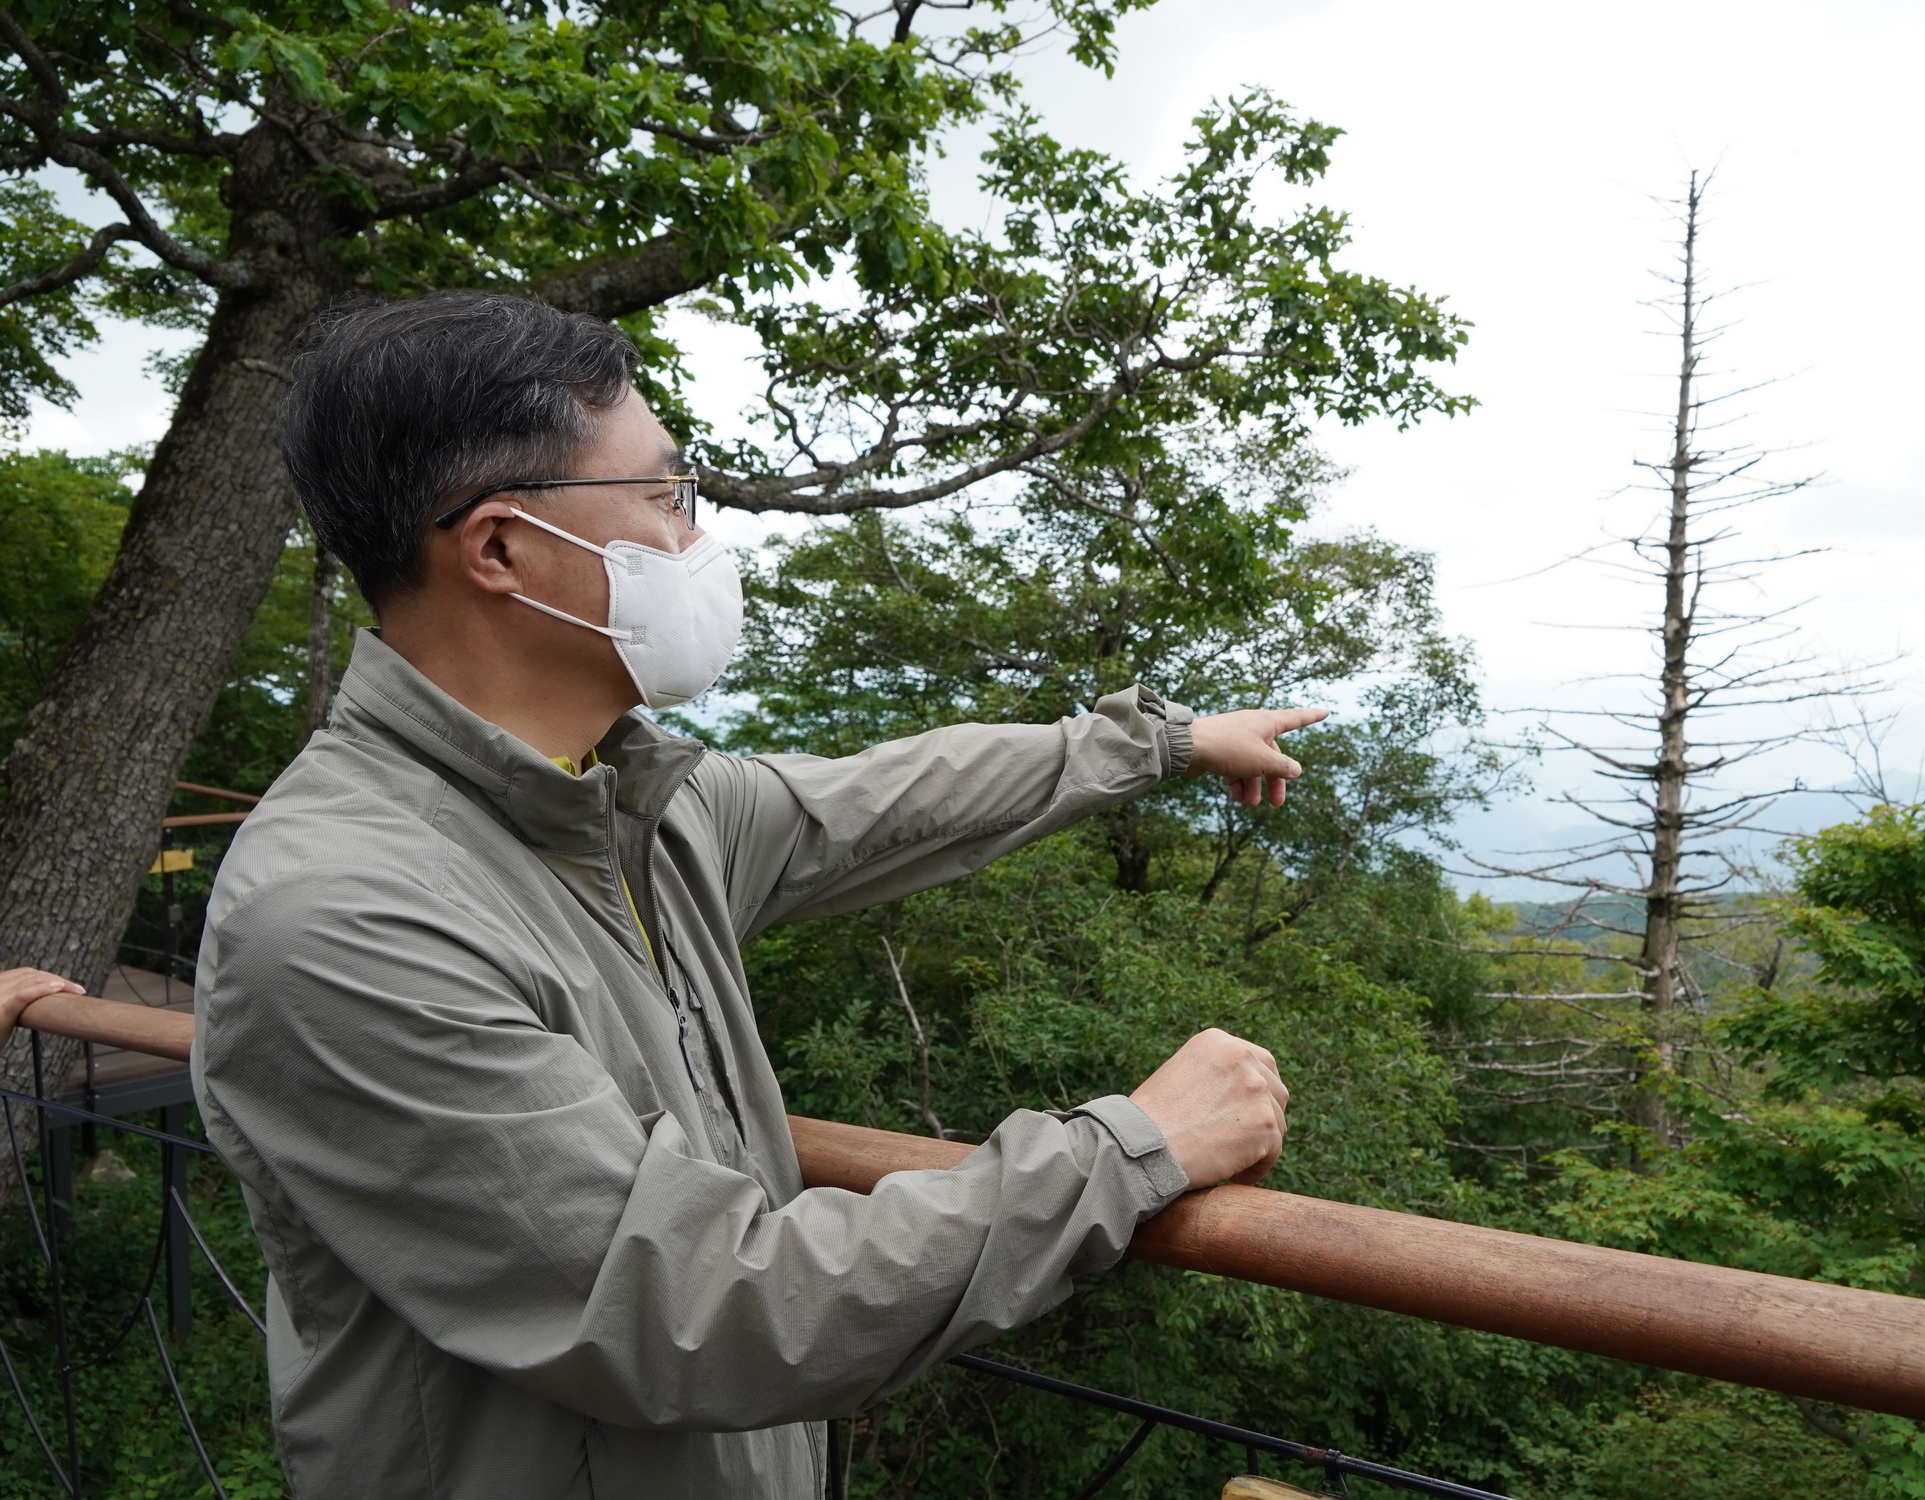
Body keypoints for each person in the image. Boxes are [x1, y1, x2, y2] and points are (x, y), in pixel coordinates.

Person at [191, 292, 1314, 1499]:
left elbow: (892, 796)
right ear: (502, 549)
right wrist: (1131, 1150)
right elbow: (700, 1309)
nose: (698, 538)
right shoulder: (346, 914)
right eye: (667, 498)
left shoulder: (634, 803)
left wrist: (1166, 743)